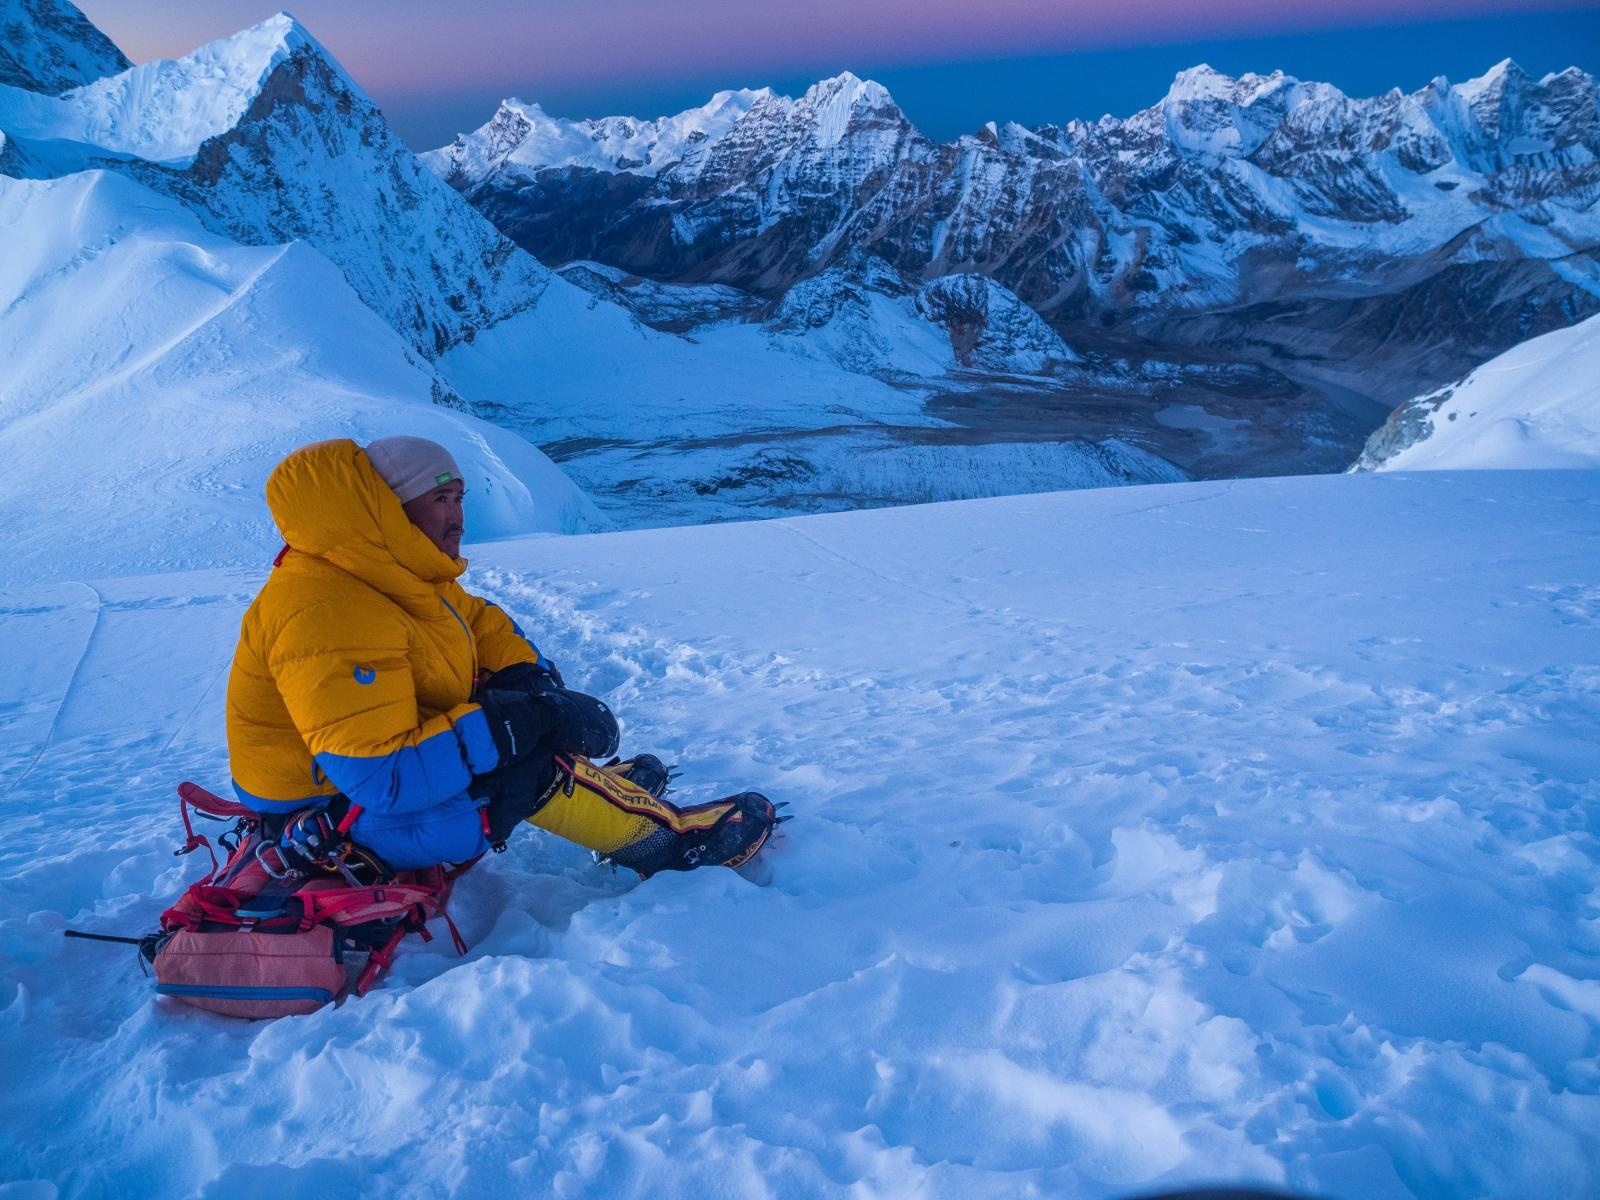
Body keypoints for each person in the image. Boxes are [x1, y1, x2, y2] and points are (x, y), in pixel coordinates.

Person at [225, 435, 779, 876]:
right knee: (519, 761)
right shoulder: (328, 609)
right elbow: (385, 779)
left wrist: (530, 681)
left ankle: (595, 792)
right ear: (386, 510)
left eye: (459, 497)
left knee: (512, 716)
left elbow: (477, 621)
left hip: (360, 790)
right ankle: (664, 844)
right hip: (332, 817)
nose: (458, 517)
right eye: (439, 499)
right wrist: (521, 722)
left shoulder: (390, 572)